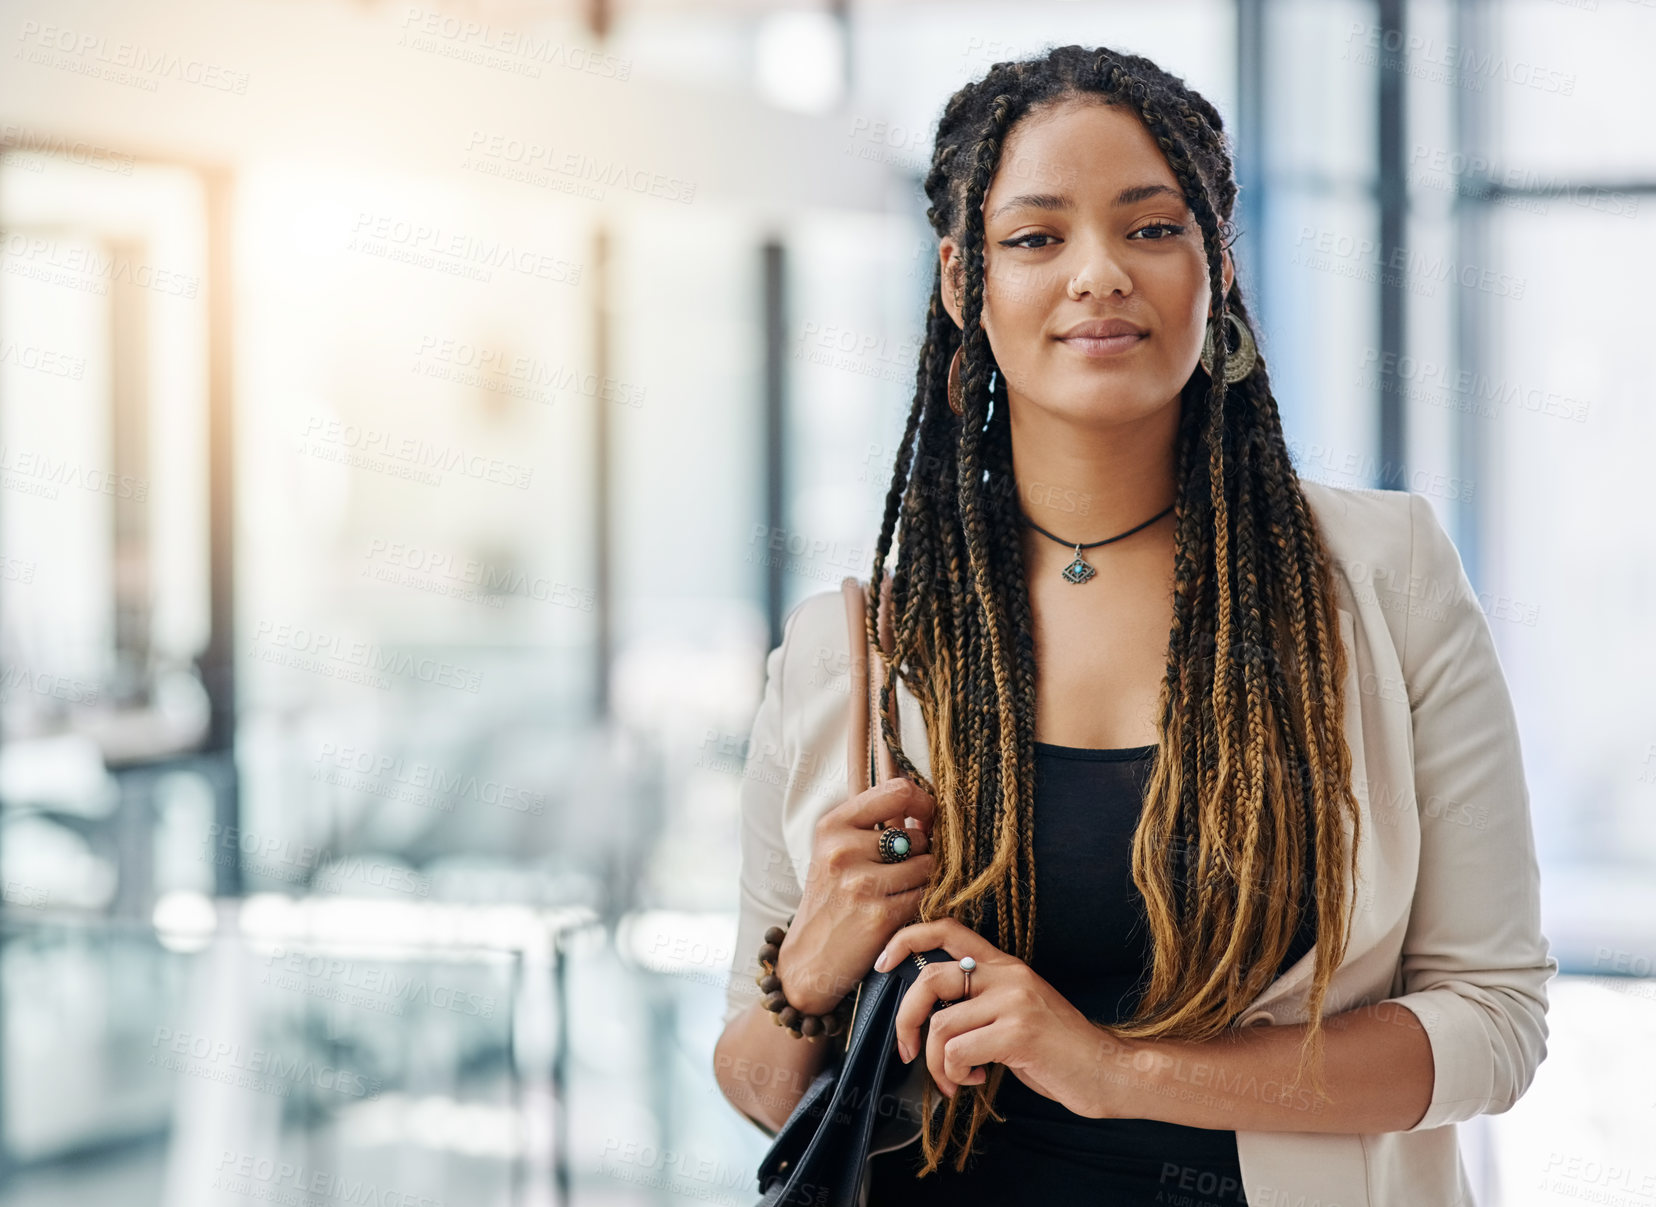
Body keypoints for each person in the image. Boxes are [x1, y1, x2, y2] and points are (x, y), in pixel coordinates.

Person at [712, 43, 1555, 1206]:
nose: (1099, 273)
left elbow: (1492, 1022)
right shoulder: (852, 649)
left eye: (1152, 229)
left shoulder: (1384, 577)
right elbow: (764, 1089)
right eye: (1037, 237)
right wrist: (805, 971)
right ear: (964, 281)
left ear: (1216, 261)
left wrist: (1114, 1070)